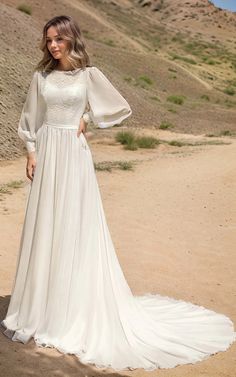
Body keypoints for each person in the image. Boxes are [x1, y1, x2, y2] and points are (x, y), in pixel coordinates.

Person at [1, 15, 236, 372]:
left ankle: (72, 308)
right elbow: (29, 120)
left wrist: (88, 118)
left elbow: (119, 107)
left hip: (75, 157)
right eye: (49, 39)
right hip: (49, 153)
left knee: (75, 228)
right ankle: (42, 306)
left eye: (59, 39)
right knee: (47, 226)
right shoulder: (40, 77)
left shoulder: (89, 76)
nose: (53, 46)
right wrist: (31, 152)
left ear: (71, 40)